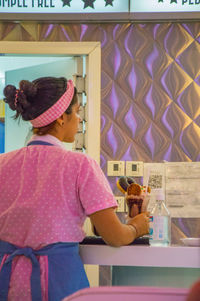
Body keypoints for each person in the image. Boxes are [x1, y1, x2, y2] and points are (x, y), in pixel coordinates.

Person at [0, 77, 149, 301]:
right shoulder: (79, 165)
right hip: (58, 281)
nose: (79, 120)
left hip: (6, 279)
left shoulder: (3, 163)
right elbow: (115, 236)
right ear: (61, 117)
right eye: (77, 111)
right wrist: (137, 227)